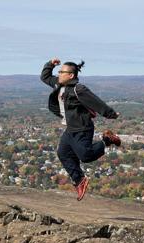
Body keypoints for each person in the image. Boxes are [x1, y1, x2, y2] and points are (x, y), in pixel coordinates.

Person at [40, 58, 121, 201]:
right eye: (59, 71)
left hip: (82, 128)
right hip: (70, 128)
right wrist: (50, 65)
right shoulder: (59, 84)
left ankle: (107, 140)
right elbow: (45, 77)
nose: (59, 74)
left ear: (71, 75)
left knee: (86, 156)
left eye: (62, 72)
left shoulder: (79, 89)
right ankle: (79, 180)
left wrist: (110, 114)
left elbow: (95, 102)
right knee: (63, 153)